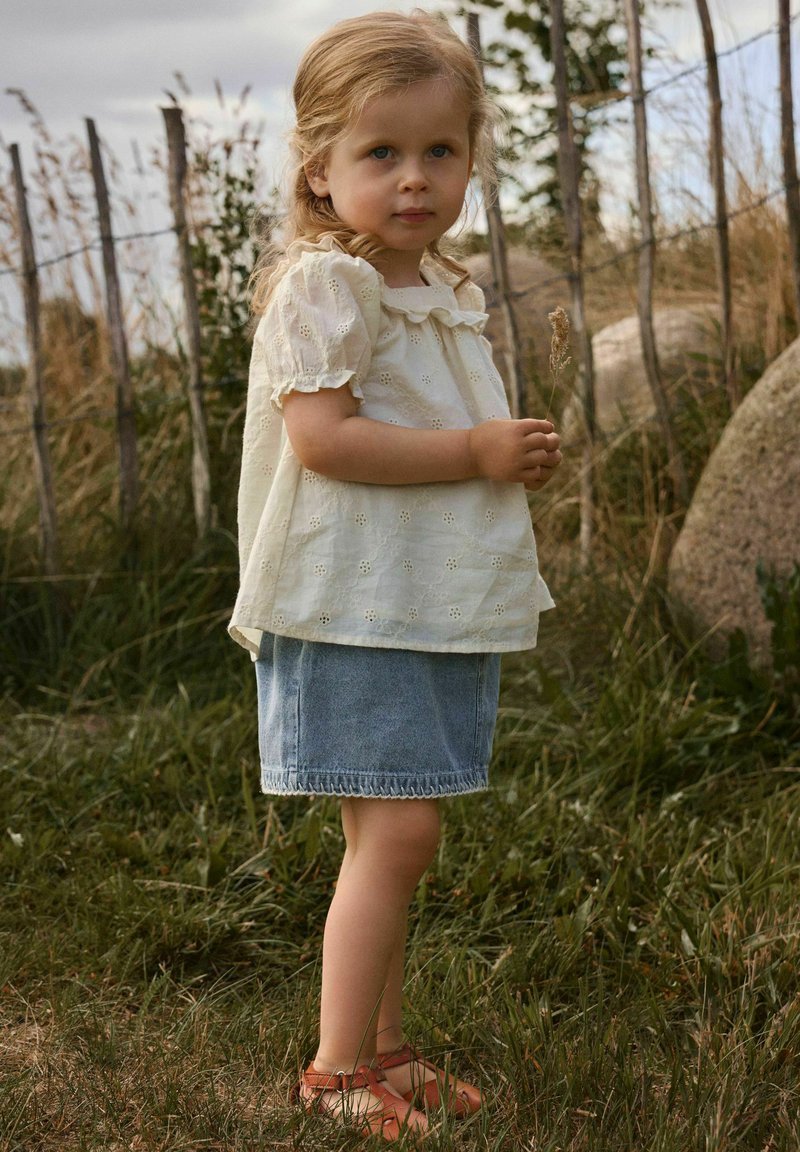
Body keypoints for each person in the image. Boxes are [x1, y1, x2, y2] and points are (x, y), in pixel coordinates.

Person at [229, 9, 562, 1142]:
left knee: (388, 839)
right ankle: (334, 1073)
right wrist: (471, 451)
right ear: (319, 171)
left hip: (414, 603)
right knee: (401, 834)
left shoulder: (438, 292)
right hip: (350, 603)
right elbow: (326, 439)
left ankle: (380, 1045)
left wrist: (497, 452)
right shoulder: (327, 287)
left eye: (438, 151)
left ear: (469, 159)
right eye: (380, 153)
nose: (413, 178)